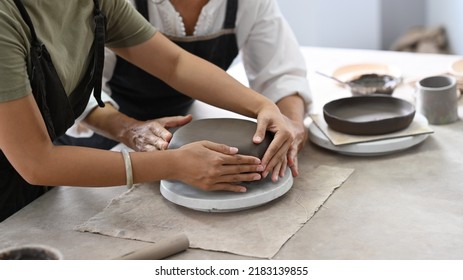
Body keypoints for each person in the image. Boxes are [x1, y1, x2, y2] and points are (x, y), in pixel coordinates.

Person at [0, 0, 293, 221]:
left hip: (32, 187)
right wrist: (174, 164)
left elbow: (174, 64)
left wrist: (262, 105)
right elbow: (37, 163)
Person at [57, 0, 311, 181]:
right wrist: (130, 130)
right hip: (98, 134)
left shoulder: (248, 4)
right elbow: (79, 90)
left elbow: (281, 74)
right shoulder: (114, 5)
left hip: (181, 131)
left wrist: (291, 123)